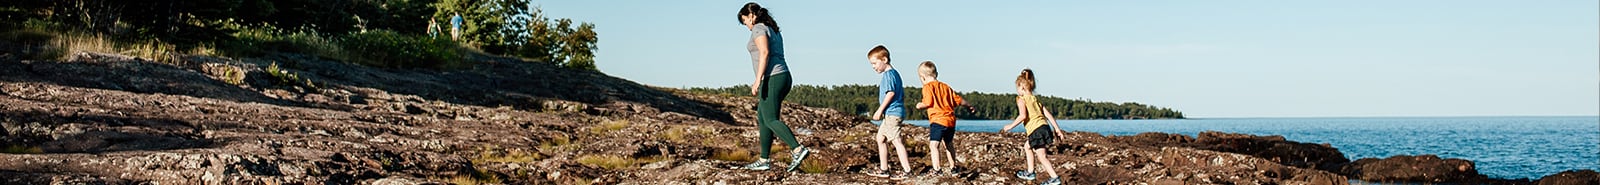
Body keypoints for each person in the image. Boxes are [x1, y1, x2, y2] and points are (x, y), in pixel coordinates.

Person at [736, 2, 810, 172]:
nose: (746, 25)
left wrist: (758, 79)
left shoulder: (759, 28)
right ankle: (764, 159)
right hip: (782, 76)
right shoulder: (773, 28)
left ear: (752, 15)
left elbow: (764, 52)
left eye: (745, 21)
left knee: (769, 119)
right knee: (764, 118)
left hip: (773, 77)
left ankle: (797, 149)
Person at [999, 69, 1068, 185]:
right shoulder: (1036, 100)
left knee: (1037, 153)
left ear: (1022, 87)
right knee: (1033, 150)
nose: (1017, 91)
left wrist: (1010, 126)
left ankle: (1044, 175)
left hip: (1035, 129)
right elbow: (1048, 115)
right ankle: (1037, 173)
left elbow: (1022, 116)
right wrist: (1057, 129)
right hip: (1044, 128)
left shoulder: (1021, 99)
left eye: (1017, 88)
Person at [914, 60, 972, 177]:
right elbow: (959, 100)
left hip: (938, 121)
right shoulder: (946, 87)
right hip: (950, 121)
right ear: (936, 74)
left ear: (922, 77)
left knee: (934, 145)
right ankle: (953, 167)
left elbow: (928, 102)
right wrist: (969, 106)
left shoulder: (927, 87)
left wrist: (920, 105)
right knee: (949, 144)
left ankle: (937, 169)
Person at [864, 45, 911, 180]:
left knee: (896, 141)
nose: (873, 66)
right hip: (891, 114)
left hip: (892, 113)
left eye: (874, 63)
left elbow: (890, 93)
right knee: (880, 139)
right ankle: (884, 169)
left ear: (884, 60)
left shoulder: (889, 75)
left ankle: (907, 171)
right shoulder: (894, 73)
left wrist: (880, 110)